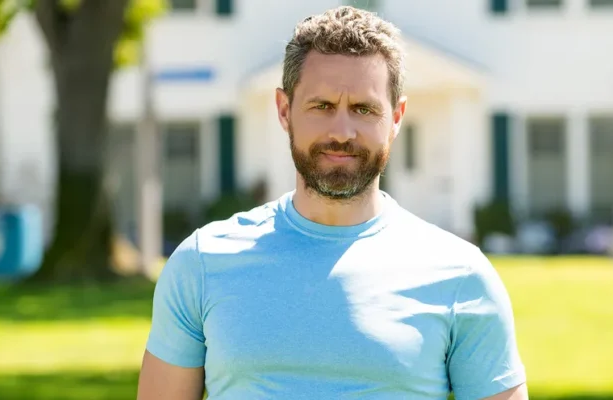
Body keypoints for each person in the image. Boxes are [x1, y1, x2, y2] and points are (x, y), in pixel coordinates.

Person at [137, 6, 528, 400]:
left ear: (396, 117)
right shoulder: (202, 264)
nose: (342, 131)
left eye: (363, 109)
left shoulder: (462, 276)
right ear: (284, 110)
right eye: (322, 106)